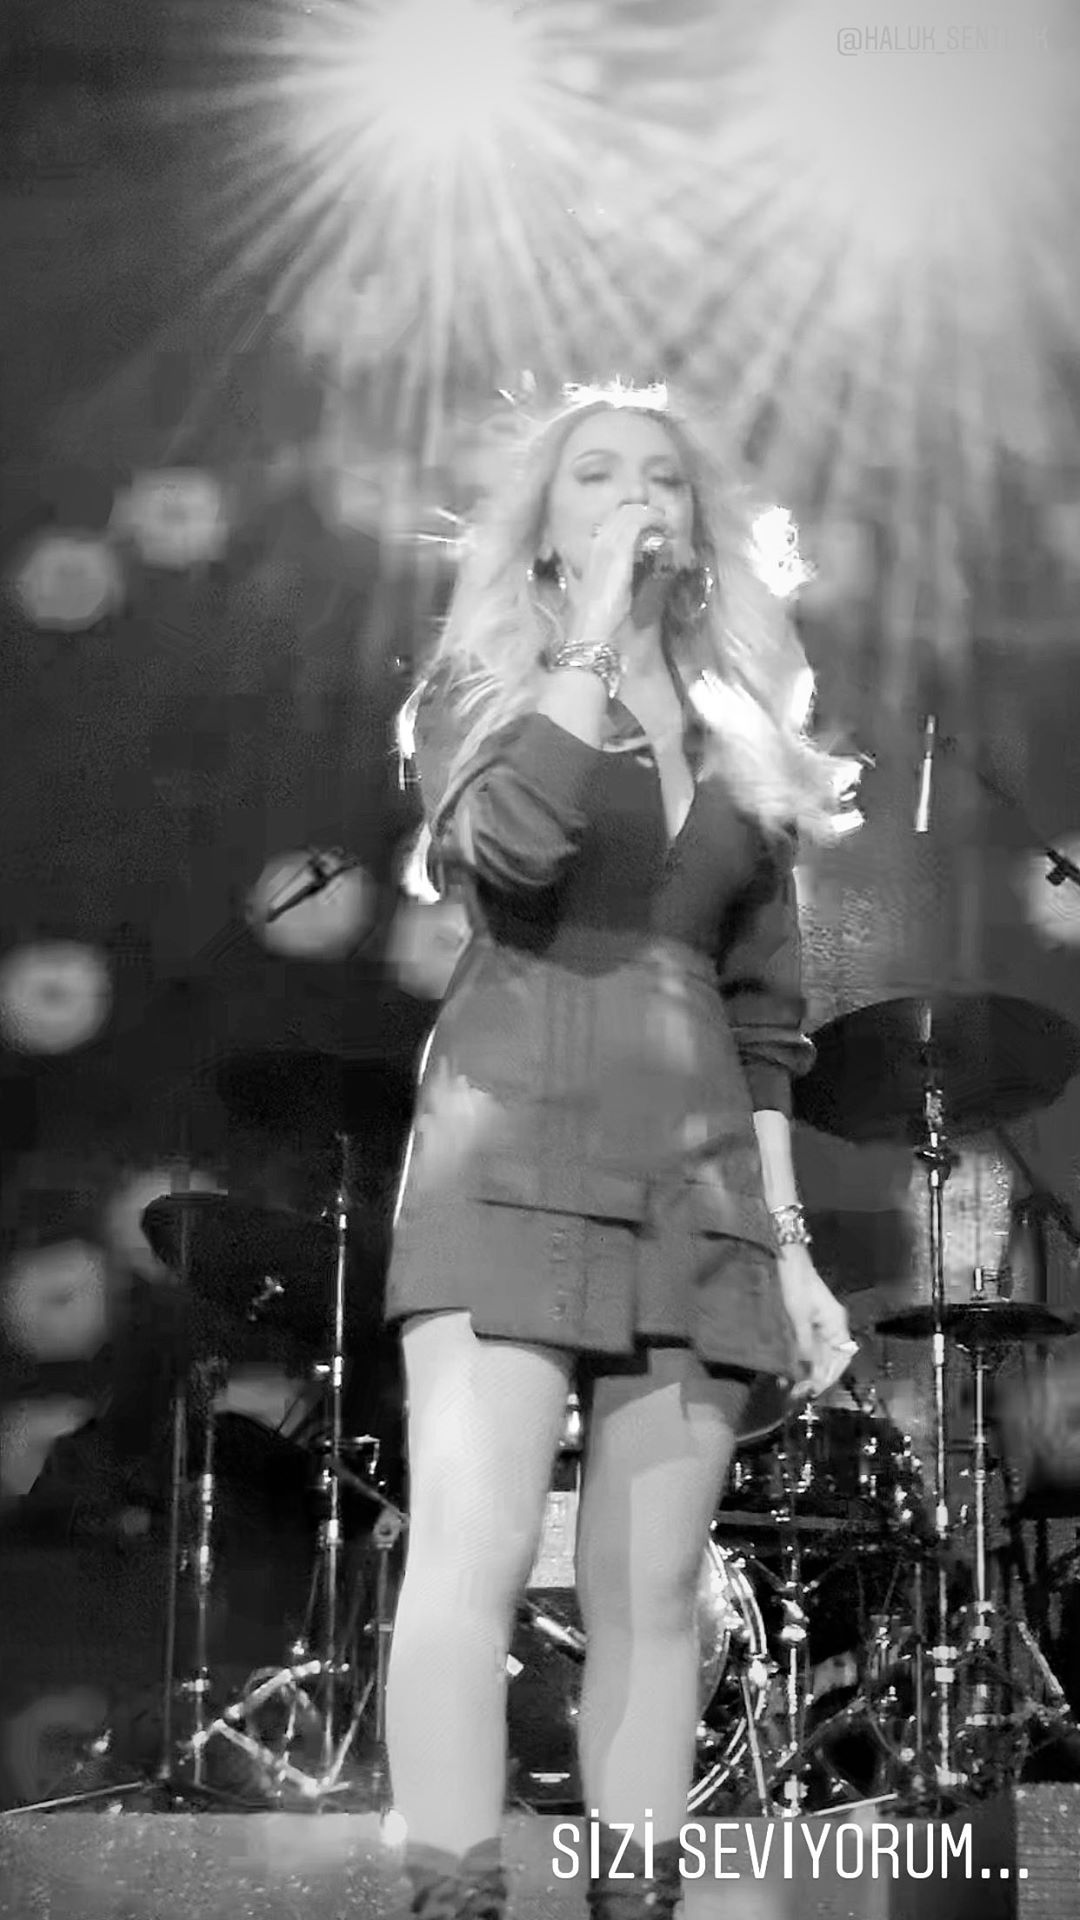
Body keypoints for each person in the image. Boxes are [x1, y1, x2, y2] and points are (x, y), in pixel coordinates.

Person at [383, 382, 859, 1919]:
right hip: (506, 1142)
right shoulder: (478, 689)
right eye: (593, 474)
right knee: (471, 1558)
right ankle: (453, 1893)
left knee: (657, 1597)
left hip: (697, 1176)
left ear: (704, 529)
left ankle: (635, 1898)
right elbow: (515, 856)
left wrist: (793, 1248)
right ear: (542, 524)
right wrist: (589, 635)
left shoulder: (745, 742)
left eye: (661, 476)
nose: (632, 498)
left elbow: (768, 1018)